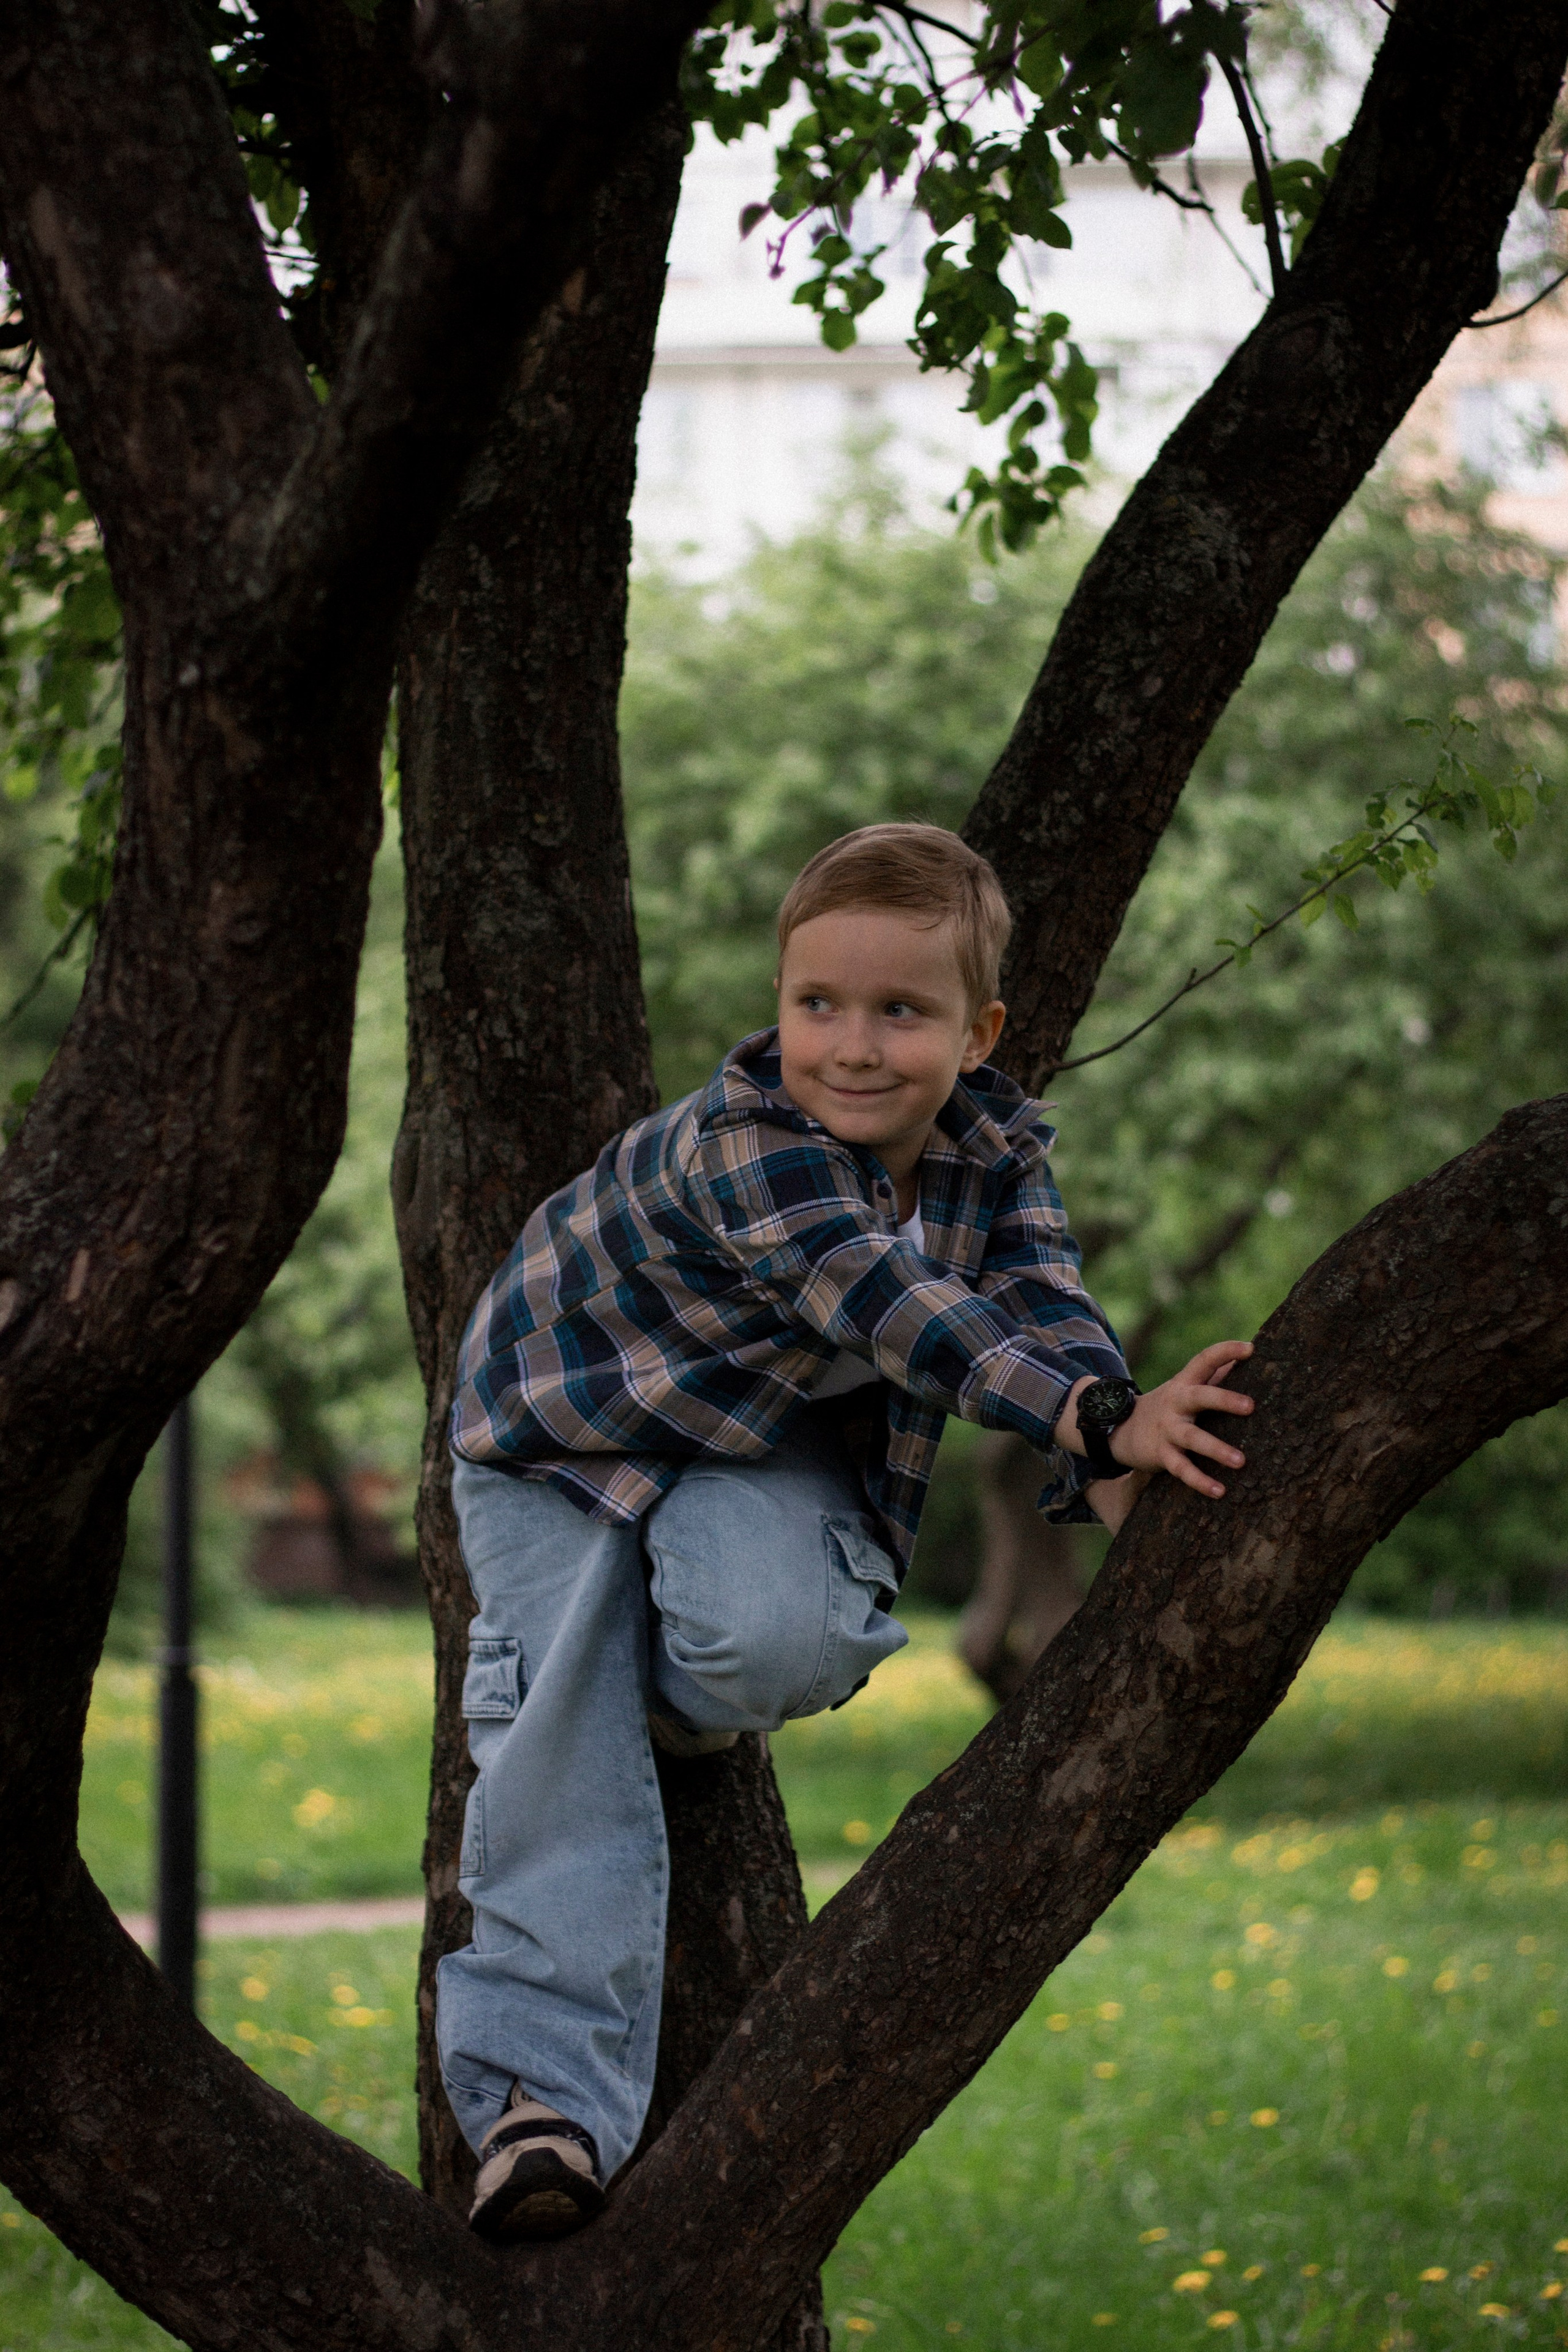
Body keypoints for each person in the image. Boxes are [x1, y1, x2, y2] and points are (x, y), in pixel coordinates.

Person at [437, 821, 1254, 2242]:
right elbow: (895, 1305)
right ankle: (535, 2104)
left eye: (901, 1011)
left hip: (748, 1441)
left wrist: (1125, 1444)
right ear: (777, 1004)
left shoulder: (994, 1153)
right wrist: (1087, 1416)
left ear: (978, 1029)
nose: (852, 1046)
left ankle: (659, 1691)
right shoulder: (747, 1146)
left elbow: (1039, 1304)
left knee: (783, 1644)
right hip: (560, 1440)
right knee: (561, 1724)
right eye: (817, 1004)